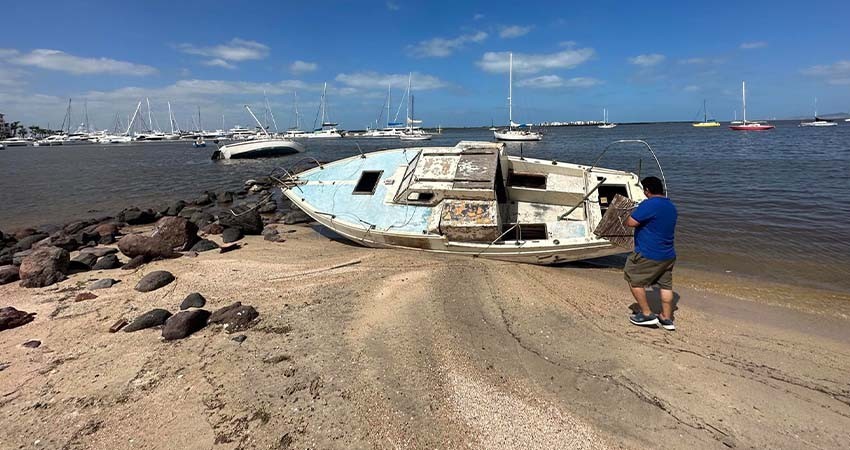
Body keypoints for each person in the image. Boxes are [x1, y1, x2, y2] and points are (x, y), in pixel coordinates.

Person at [623, 176, 678, 330]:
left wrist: (636, 211)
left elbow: (631, 222)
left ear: (647, 190)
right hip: (668, 255)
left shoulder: (650, 204)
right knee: (665, 286)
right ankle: (667, 318)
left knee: (633, 279)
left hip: (648, 253)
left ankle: (647, 314)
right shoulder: (671, 206)